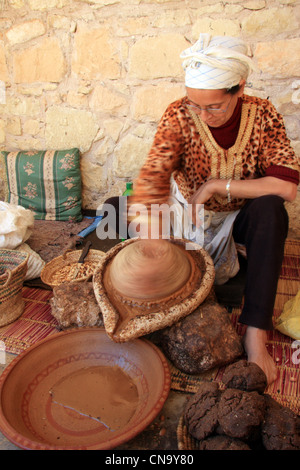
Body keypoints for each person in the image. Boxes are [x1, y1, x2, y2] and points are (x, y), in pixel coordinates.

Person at [105, 34, 299, 385]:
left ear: (239, 88)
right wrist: (152, 243)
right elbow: (153, 179)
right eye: (196, 105)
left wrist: (214, 185)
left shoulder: (263, 114)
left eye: (213, 107)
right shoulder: (180, 114)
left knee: (272, 211)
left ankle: (255, 334)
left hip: (238, 218)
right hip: (187, 213)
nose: (202, 115)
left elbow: (285, 186)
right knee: (117, 209)